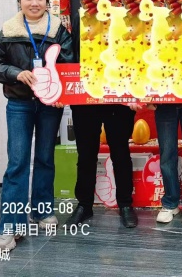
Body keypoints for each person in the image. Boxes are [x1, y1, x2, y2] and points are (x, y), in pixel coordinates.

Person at [0, 0, 74, 251]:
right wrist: (16, 73)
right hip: (19, 104)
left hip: (49, 106)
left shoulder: (58, 30)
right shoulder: (9, 30)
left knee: (46, 158)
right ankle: (10, 227)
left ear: (47, 3)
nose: (34, 3)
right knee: (18, 163)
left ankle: (42, 210)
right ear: (20, 2)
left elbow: (69, 64)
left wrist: (61, 95)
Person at [64, 14, 139, 229]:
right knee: (86, 154)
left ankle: (125, 204)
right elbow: (70, 55)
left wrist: (135, 91)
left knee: (120, 152)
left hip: (118, 97)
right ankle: (84, 204)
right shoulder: (82, 17)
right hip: (86, 97)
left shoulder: (124, 16)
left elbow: (135, 55)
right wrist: (64, 88)